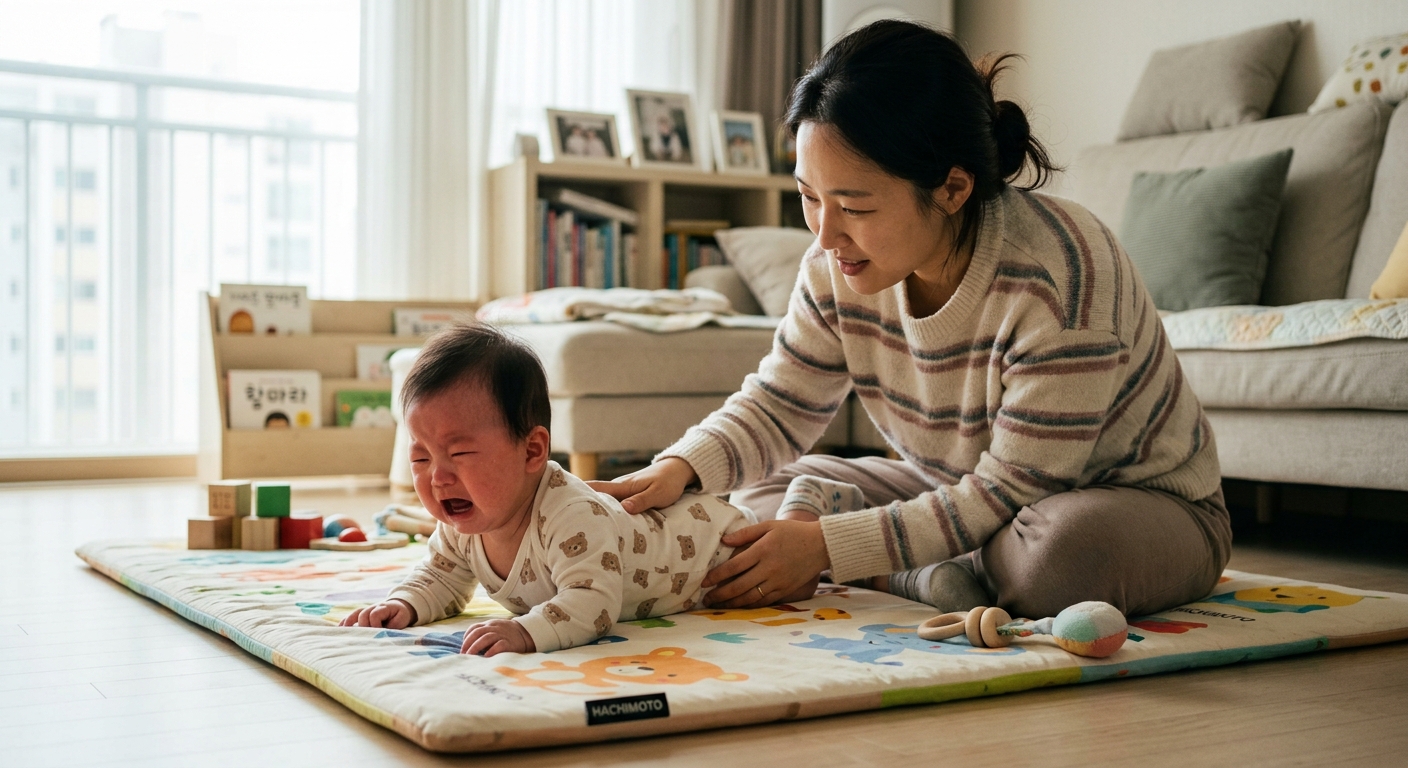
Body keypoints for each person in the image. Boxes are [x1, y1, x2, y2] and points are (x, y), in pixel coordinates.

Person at [590, 20, 1231, 622]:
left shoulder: (1061, 281)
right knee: (764, 496)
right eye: (809, 197)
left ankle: (903, 561)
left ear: (953, 189)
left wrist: (825, 548)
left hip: (1133, 507)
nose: (825, 232)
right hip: (953, 487)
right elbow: (781, 402)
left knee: (1055, 561)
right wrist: (676, 470)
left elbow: (1008, 493)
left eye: (853, 206)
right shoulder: (833, 266)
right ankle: (924, 565)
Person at [340, 323, 764, 656]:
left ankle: (805, 497)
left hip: (711, 543)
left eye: (461, 453)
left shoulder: (569, 515)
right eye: (421, 458)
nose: (438, 477)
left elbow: (593, 603)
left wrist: (528, 631)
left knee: (781, 568)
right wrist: (405, 605)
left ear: (532, 450)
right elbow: (440, 578)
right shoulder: (461, 522)